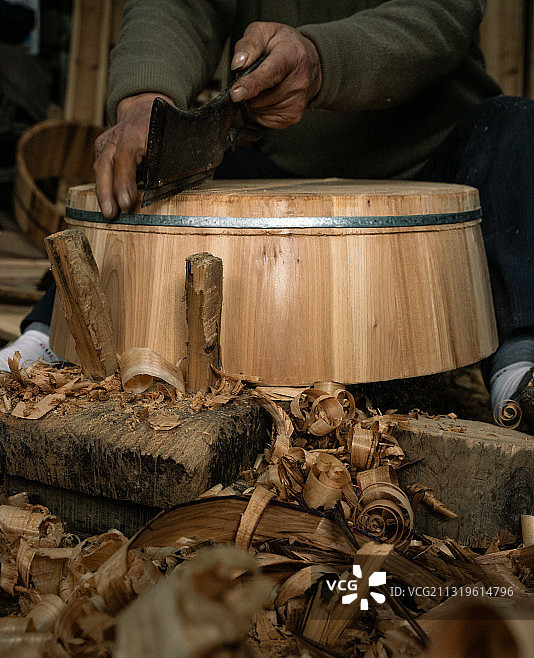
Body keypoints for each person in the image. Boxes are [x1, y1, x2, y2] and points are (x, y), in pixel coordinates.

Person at [4, 0, 534, 429]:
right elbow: (178, 5)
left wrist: (324, 58)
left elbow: (441, 12)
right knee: (153, 168)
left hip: (433, 163)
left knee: (511, 129)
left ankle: (518, 366)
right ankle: (47, 340)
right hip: (279, 170)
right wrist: (147, 98)